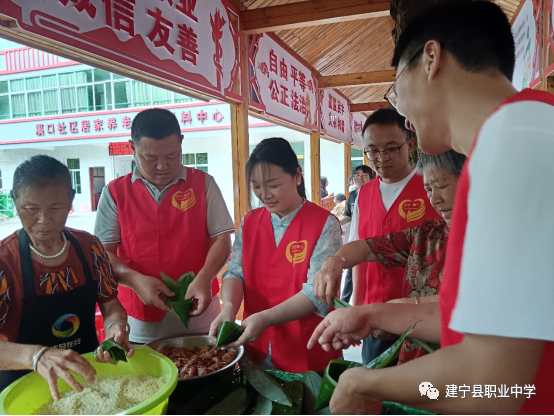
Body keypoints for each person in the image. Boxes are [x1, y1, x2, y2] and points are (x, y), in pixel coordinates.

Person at [308, 1, 554, 414]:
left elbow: (496, 388)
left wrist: (364, 383)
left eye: (395, 89)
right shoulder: (531, 126)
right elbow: (489, 327)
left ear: (431, 58)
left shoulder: (511, 146)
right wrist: (372, 317)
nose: (403, 114)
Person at [95, 109, 235, 344]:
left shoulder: (203, 184)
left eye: (172, 156)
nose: (162, 166)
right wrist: (134, 280)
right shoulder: (115, 193)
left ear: (181, 142)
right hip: (139, 317)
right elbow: (103, 254)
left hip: (199, 311)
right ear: (132, 148)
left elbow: (221, 239)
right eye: (150, 158)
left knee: (203, 368)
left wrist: (205, 276)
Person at [314, 150, 466, 365]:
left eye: (441, 187)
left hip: (462, 370)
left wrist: (391, 312)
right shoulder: (427, 234)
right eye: (428, 189)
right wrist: (335, 262)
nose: (435, 199)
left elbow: (462, 309)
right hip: (415, 364)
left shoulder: (494, 241)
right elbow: (367, 247)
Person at [0, 156, 132, 400]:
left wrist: (117, 328)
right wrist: (36, 356)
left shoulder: (89, 247)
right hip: (24, 391)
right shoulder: (4, 262)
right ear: (14, 200)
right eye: (31, 209)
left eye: (55, 207)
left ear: (71, 200)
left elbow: (112, 306)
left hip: (88, 383)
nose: (43, 220)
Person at [209, 138, 342, 373]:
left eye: (272, 185)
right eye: (256, 186)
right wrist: (228, 309)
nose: (264, 194)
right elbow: (235, 272)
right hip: (256, 346)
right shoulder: (250, 222)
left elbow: (315, 294)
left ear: (297, 176)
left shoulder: (324, 224)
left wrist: (266, 318)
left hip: (306, 347)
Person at [349, 109, 441, 365]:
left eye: (390, 149)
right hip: (375, 314)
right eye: (373, 151)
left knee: (421, 393)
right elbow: (358, 250)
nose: (381, 159)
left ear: (410, 145)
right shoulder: (363, 195)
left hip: (422, 318)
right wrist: (356, 303)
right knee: (377, 389)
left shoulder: (432, 187)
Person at [340, 165, 374, 303]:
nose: (360, 177)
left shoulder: (374, 193)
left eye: (364, 174)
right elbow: (349, 215)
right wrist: (336, 222)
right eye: (357, 174)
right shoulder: (353, 195)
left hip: (369, 239)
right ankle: (344, 302)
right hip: (355, 238)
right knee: (351, 271)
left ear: (372, 177)